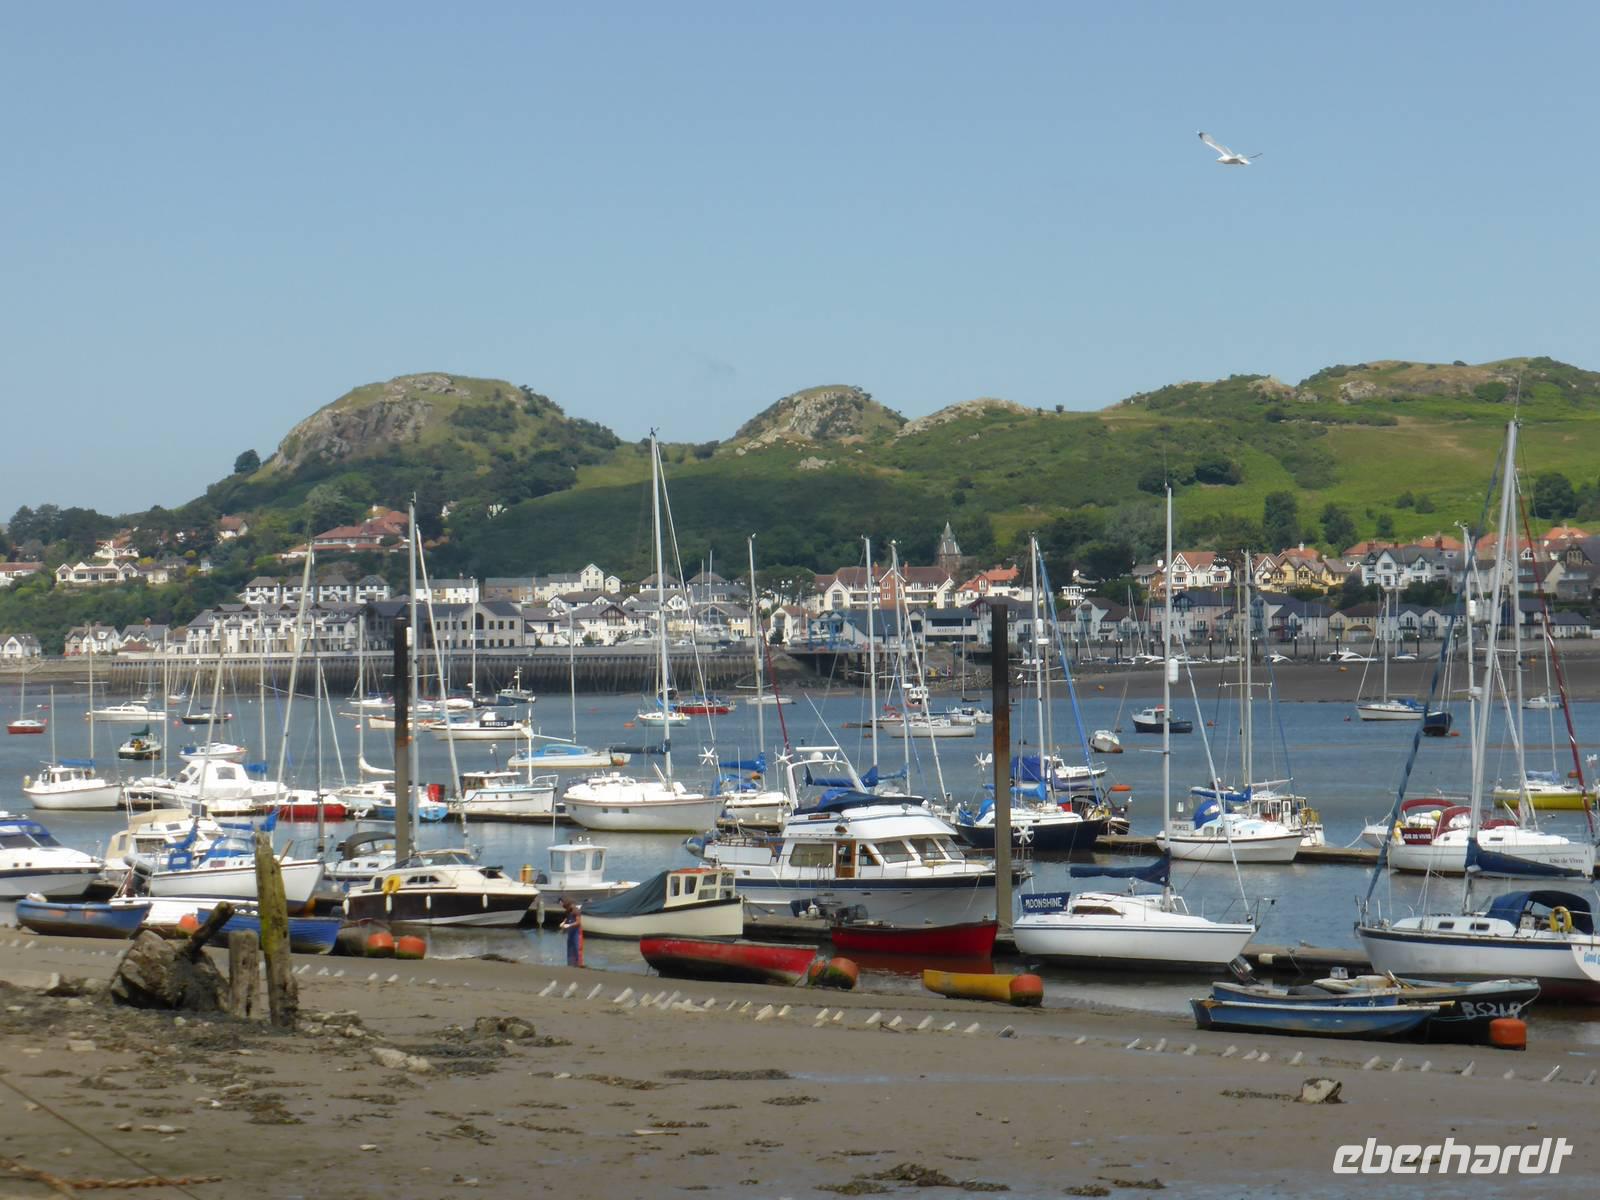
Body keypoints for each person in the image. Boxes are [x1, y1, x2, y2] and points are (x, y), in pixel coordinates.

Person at [559, 898, 584, 967]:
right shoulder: (568, 911)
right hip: (570, 932)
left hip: (577, 932)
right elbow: (567, 918)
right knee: (570, 948)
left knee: (577, 948)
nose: (565, 908)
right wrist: (563, 923)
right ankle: (570, 964)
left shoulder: (576, 910)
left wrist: (569, 925)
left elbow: (578, 922)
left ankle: (579, 965)